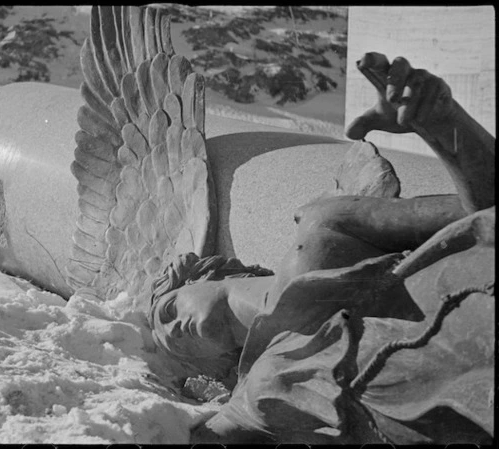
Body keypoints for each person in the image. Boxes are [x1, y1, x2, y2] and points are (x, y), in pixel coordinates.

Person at [148, 53, 495, 444]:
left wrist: (445, 125)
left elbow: (481, 217)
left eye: (169, 310)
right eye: (174, 341)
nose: (177, 329)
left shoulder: (321, 226)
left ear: (207, 274)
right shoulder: (245, 404)